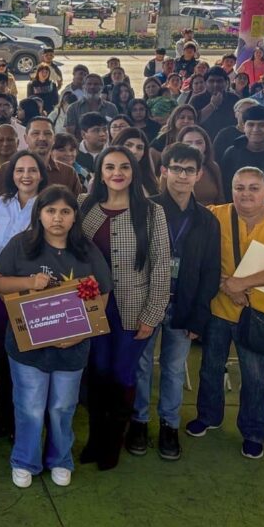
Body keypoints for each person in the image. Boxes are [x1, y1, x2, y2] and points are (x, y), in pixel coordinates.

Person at [0, 187, 113, 489]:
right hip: (28, 348)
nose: (57, 218)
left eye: (65, 212)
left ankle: (60, 458)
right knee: (30, 406)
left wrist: (79, 334)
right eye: (50, 211)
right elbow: (0, 282)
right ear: (39, 214)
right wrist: (30, 282)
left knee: (62, 406)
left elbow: (103, 294)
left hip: (72, 348)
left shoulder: (86, 250)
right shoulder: (21, 244)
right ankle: (25, 460)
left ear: (74, 217)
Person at [187, 167, 264, 459]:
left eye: (253, 188)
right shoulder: (215, 215)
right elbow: (201, 256)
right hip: (219, 308)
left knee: (255, 376)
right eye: (239, 188)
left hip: (260, 315)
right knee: (211, 367)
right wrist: (229, 286)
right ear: (231, 189)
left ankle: (253, 432)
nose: (246, 194)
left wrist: (242, 283)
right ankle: (208, 416)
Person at [78, 147, 171, 471]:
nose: (117, 173)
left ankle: (112, 444)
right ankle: (95, 439)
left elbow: (161, 266)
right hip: (93, 309)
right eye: (109, 167)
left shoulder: (152, 212)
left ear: (134, 171)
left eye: (124, 167)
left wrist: (152, 314)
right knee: (97, 372)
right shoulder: (85, 206)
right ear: (100, 173)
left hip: (133, 310)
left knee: (122, 374)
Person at [127, 143, 221, 461]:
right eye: (176, 168)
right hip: (146, 303)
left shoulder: (207, 221)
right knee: (141, 366)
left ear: (199, 175)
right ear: (163, 171)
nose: (182, 175)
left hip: (184, 305)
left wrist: (199, 317)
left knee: (174, 369)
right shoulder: (144, 209)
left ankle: (170, 424)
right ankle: (139, 421)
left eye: (189, 170)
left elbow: (211, 271)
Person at [0, 150, 49, 438]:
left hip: (33, 294)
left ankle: (30, 421)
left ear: (41, 175)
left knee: (30, 358)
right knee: (2, 355)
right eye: (20, 170)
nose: (26, 175)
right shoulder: (1, 203)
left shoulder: (48, 205)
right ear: (11, 174)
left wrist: (25, 286)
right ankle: (5, 416)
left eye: (32, 170)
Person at [219, 106, 264, 198]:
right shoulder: (232, 154)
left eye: (262, 125)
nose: (256, 129)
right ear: (243, 127)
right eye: (251, 125)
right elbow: (226, 186)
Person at [171, 125, 224, 205]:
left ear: (206, 145)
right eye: (188, 143)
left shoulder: (213, 167)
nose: (194, 147)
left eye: (199, 143)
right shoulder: (172, 171)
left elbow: (221, 199)